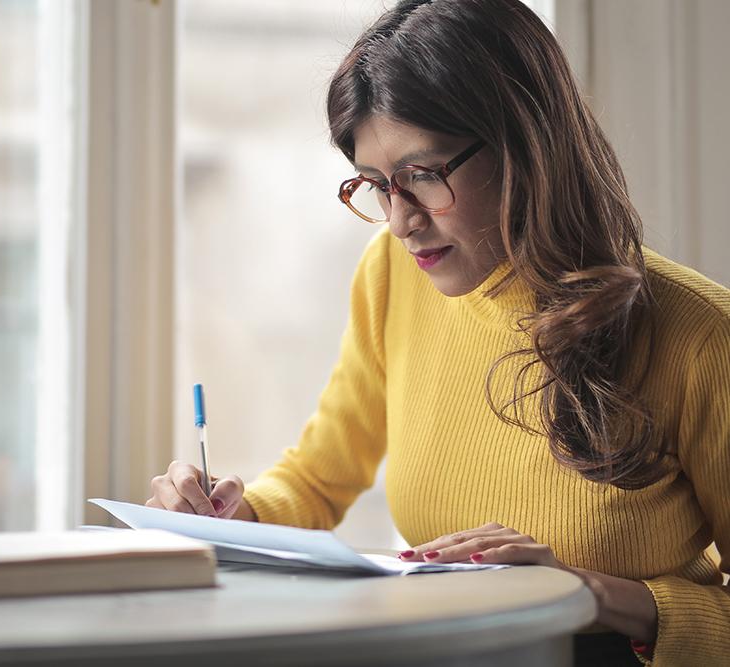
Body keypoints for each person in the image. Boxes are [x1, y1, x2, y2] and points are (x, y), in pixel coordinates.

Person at [145, 1, 730, 664]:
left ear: (524, 144)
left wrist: (588, 592)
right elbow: (318, 477)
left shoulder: (701, 336)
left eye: (423, 175)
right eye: (374, 185)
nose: (400, 221)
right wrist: (228, 515)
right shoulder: (392, 275)